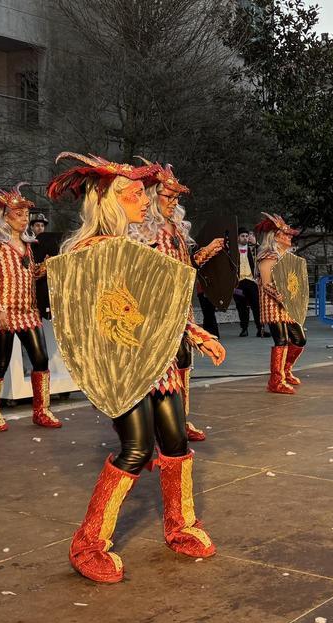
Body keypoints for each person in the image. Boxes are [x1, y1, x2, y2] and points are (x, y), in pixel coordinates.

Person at [48, 152, 225, 583]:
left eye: (145, 194)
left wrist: (196, 334)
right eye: (135, 194)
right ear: (109, 200)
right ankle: (87, 544)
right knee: (137, 448)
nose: (145, 201)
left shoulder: (137, 246)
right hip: (122, 367)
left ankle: (180, 525)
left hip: (158, 359)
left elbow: (158, 307)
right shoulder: (87, 252)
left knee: (176, 441)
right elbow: (84, 317)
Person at [131, 160, 225, 442]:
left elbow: (185, 267)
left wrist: (206, 252)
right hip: (156, 314)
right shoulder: (142, 232)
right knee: (159, 368)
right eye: (168, 197)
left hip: (182, 309)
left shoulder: (177, 229)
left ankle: (180, 420)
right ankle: (154, 426)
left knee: (183, 361)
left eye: (176, 198)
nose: (173, 203)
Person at [0, 183, 61, 431]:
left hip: (28, 312)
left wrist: (44, 268)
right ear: (4, 217)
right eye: (19, 214)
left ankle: (42, 411)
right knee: (0, 362)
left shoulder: (27, 244)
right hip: (3, 311)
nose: (24, 219)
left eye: (26, 215)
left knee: (41, 359)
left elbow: (29, 275)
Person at [257, 213, 307, 394]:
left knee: (300, 339)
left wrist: (294, 296)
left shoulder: (288, 257)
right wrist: (281, 295)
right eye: (286, 235)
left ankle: (285, 370)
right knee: (281, 340)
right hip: (273, 305)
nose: (289, 237)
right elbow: (266, 283)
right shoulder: (268, 255)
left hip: (288, 305)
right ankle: (276, 380)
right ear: (276, 237)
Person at [233, 228, 265, 337]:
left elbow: (263, 250)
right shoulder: (233, 250)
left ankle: (260, 329)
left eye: (246, 236)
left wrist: (256, 242)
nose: (245, 238)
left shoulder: (253, 249)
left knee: (257, 306)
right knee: (241, 307)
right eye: (242, 236)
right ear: (238, 237)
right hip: (238, 283)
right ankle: (244, 329)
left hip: (252, 281)